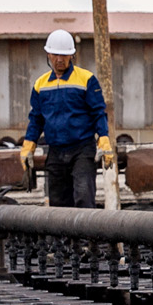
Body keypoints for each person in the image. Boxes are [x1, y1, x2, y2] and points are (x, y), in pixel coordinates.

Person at [20, 29, 115, 209]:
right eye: (55, 54)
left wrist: (103, 138)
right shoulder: (40, 84)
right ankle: (63, 239)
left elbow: (98, 112)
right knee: (58, 204)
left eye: (64, 55)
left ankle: (86, 238)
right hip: (55, 151)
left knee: (83, 197)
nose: (59, 59)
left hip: (82, 149)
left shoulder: (86, 79)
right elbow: (36, 118)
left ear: (72, 56)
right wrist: (28, 145)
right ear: (48, 54)